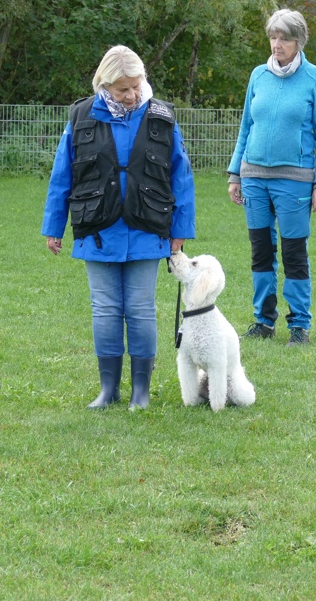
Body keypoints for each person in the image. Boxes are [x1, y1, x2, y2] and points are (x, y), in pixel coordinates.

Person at [42, 45, 196, 410]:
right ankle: (108, 390)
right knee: (106, 309)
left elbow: (182, 176)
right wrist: (54, 226)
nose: (131, 95)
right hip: (97, 228)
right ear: (104, 84)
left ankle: (141, 392)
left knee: (140, 308)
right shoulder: (81, 116)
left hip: (148, 228)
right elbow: (62, 174)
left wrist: (180, 230)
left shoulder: (162, 117)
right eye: (122, 89)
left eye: (136, 86)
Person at [227, 9, 316, 347]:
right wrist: (235, 173)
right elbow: (246, 126)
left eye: (284, 38)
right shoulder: (258, 75)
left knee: (293, 253)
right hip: (253, 178)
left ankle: (299, 325)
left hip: (296, 181)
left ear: (299, 41)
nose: (277, 44)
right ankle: (263, 321)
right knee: (261, 251)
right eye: (273, 37)